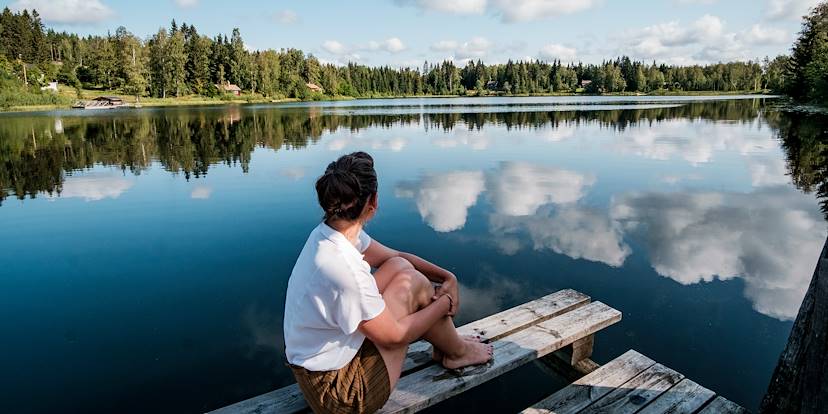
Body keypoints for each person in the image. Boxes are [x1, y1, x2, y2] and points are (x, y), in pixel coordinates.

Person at [283, 151, 493, 414]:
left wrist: (447, 277)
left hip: (320, 369)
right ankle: (456, 351)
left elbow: (396, 257)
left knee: (401, 269)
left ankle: (449, 348)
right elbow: (395, 337)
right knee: (413, 285)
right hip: (341, 395)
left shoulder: (331, 235)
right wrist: (445, 303)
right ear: (373, 203)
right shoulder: (344, 270)